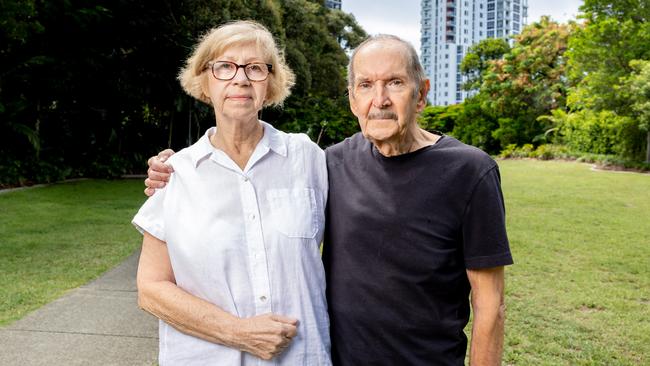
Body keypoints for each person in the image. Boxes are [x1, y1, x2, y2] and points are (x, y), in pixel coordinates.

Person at [146, 34, 512, 365]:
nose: (379, 100)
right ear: (352, 98)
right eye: (366, 85)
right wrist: (167, 167)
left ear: (421, 93)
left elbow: (490, 306)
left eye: (395, 83)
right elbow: (151, 286)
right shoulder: (326, 162)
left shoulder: (313, 160)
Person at [132, 20, 331, 365]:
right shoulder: (176, 173)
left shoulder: (308, 159)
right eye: (224, 67)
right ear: (204, 82)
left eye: (255, 68)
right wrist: (239, 333)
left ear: (270, 85)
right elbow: (151, 290)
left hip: (301, 357)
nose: (240, 78)